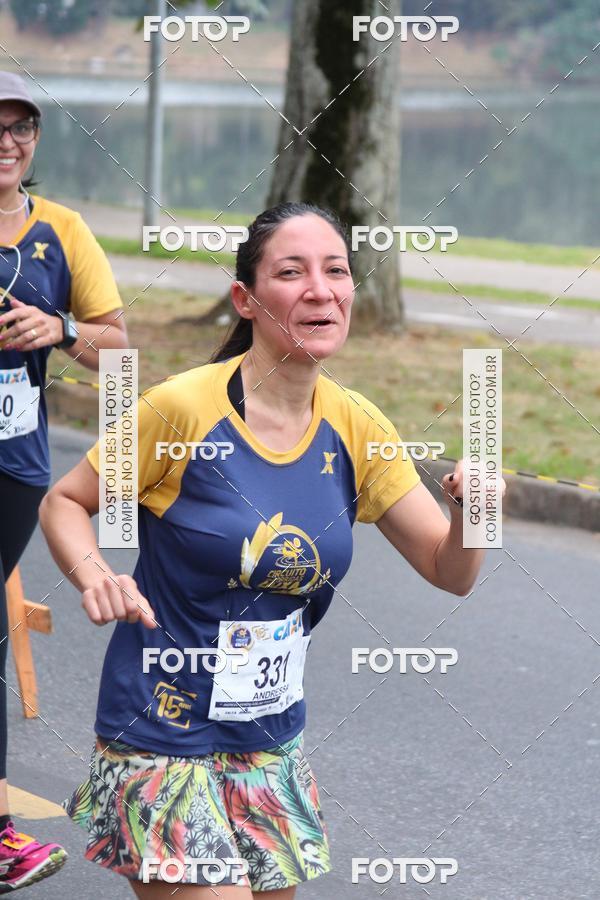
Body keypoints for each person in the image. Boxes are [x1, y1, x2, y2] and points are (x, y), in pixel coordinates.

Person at [39, 201, 505, 898]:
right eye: (292, 273)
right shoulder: (184, 410)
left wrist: (475, 514)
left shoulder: (357, 425)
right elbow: (65, 501)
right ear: (247, 300)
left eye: (337, 271)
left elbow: (450, 571)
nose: (321, 290)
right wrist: (93, 572)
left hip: (268, 736)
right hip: (163, 728)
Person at [0, 71, 128, 890]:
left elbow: (122, 354)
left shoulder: (62, 231)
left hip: (11, 466)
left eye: (22, 128)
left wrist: (62, 327)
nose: (7, 142)